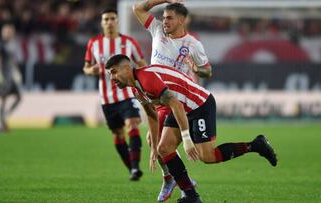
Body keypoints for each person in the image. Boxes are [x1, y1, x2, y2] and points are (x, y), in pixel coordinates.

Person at [105, 54, 277, 203]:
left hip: (199, 105)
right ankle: (191, 196)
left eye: (114, 71)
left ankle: (255, 145)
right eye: (109, 74)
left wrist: (187, 139)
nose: (111, 77)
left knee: (207, 157)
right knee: (164, 148)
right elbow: (152, 115)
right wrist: (154, 147)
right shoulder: (137, 90)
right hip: (181, 108)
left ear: (127, 68)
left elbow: (175, 104)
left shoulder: (147, 78)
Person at [133, 1, 211, 201]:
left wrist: (196, 69)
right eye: (164, 17)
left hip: (174, 96)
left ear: (182, 20)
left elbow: (208, 71)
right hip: (155, 94)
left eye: (169, 18)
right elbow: (137, 8)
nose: (164, 21)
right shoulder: (157, 29)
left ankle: (175, 181)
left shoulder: (193, 44)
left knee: (161, 144)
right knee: (154, 141)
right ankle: (175, 180)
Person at [83, 9, 147, 181]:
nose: (109, 22)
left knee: (133, 125)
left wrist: (143, 79)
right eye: (106, 19)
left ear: (117, 21)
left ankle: (135, 167)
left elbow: (141, 63)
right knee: (118, 134)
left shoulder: (129, 42)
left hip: (126, 94)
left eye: (112, 19)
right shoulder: (94, 43)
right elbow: (86, 67)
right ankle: (132, 169)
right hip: (107, 99)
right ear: (102, 23)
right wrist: (92, 70)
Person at [0, 23, 22, 133]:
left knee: (19, 97)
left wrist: (16, 71)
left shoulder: (12, 44)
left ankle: (5, 116)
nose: (9, 33)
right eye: (7, 31)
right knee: (3, 100)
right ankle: (1, 124)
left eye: (10, 31)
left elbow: (13, 60)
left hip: (11, 76)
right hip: (3, 76)